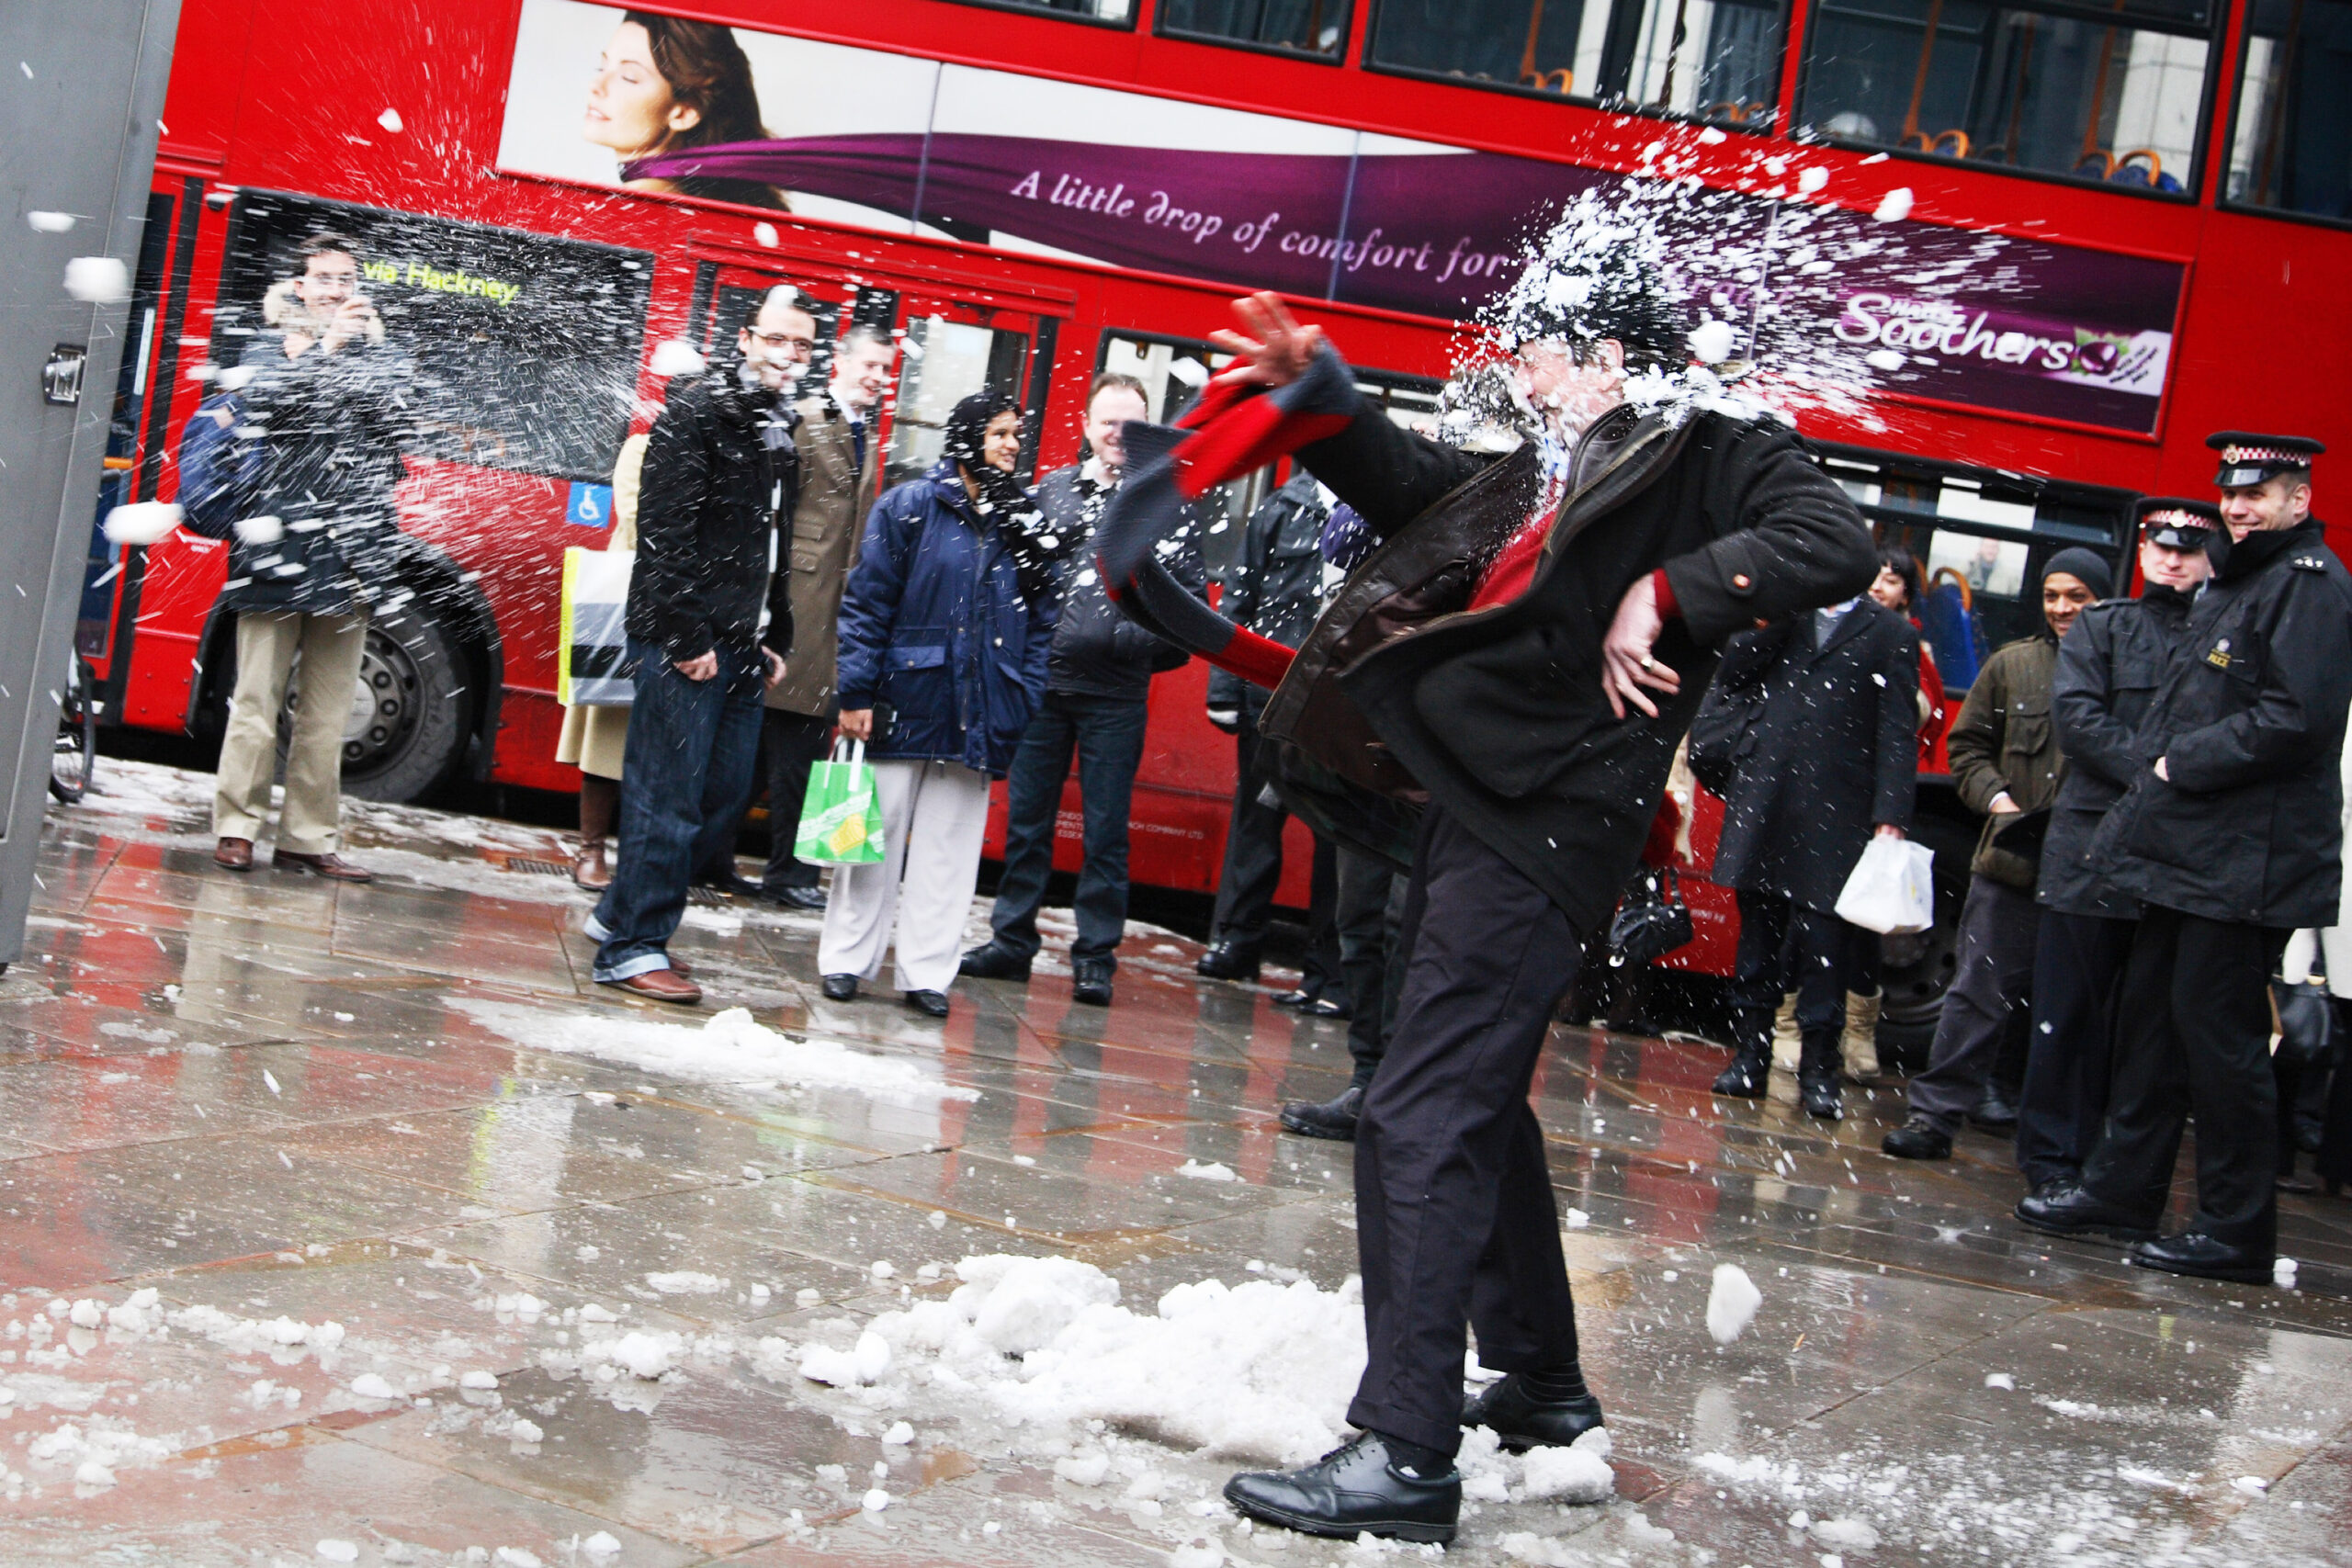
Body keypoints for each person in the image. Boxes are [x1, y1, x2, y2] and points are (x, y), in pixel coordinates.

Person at [1188, 269, 1872, 1544]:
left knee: (1421, 1106)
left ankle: (1403, 1449)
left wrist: (1666, 591)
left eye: (1541, 355)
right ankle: (1544, 1386)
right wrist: (1320, 398)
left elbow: (1838, 542)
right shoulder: (1554, 462)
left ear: (1607, 356)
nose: (1521, 376)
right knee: (1473, 1096)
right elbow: (1421, 491)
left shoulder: (1706, 443)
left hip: (1546, 815)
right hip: (1477, 799)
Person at [2024, 434, 2351, 1284]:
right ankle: (2123, 1189)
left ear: (2298, 501)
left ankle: (2237, 1231)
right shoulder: (2239, 578)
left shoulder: (2309, 587)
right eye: (2232, 494)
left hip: (2247, 861)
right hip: (2186, 851)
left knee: (2223, 1043)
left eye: (2261, 494)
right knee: (2151, 1028)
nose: (2240, 507)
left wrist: (2178, 763)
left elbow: (2297, 720)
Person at [586, 287, 809, 1002]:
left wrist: (775, 631)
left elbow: (769, 541)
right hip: (687, 635)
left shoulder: (779, 427)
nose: (788, 355)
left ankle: (621, 915)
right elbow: (664, 530)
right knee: (668, 794)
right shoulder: (700, 411)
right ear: (745, 339)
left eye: (802, 346)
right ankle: (633, 947)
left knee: (718, 797)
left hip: (742, 641)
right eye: (777, 340)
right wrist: (686, 634)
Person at [961, 374, 1205, 1006]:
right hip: (1046, 686)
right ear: (1087, 426)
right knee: (1027, 823)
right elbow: (1019, 579)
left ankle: (1095, 956)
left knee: (1105, 832)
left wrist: (1129, 648)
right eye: (1107, 421)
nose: (1118, 434)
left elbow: (1190, 612)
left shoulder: (1166, 502)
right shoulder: (1052, 491)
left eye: (1131, 423)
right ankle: (1011, 942)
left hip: (1116, 696)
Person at [820, 393, 1059, 1018]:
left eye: (1016, 434)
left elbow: (1043, 621)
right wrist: (856, 691)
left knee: (949, 852)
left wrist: (1023, 693)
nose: (1012, 444)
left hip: (981, 711)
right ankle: (846, 960)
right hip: (901, 701)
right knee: (869, 840)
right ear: (966, 436)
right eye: (999, 433)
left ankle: (927, 974)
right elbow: (867, 604)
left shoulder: (1025, 522)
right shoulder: (908, 506)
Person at [2012, 501, 2213, 1198]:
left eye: (2189, 548)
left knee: (2145, 1032)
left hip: (2175, 861)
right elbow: (2080, 721)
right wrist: (2164, 775)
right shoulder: (2104, 624)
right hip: (2092, 849)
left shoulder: (2226, 633)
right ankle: (2051, 1162)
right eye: (2161, 544)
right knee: (2067, 1016)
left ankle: (2112, 1173)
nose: (2172, 558)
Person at [1883, 547, 2110, 1159]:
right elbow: (1967, 748)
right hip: (2011, 863)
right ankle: (1935, 1119)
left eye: (2078, 597)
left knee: (2079, 1010)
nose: (2062, 608)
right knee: (1975, 996)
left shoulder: (2130, 669)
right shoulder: (2014, 666)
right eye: (2052, 596)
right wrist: (1998, 800)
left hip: (2094, 875)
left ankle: (2059, 1142)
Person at [209, 232, 414, 883]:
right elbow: (267, 407)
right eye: (323, 278)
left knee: (329, 709)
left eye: (346, 279)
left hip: (351, 548)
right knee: (256, 698)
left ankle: (306, 836)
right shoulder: (267, 346)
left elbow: (401, 424)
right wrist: (324, 352)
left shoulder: (379, 350)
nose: (336, 290)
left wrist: (361, 356)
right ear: (299, 286)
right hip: (276, 545)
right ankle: (237, 826)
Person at [1702, 584, 1918, 1120]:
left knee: (1826, 949)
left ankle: (1821, 1071)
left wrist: (1890, 818)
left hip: (1839, 810)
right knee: (1757, 942)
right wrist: (1774, 615)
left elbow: (1898, 732)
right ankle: (1750, 1055)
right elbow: (1731, 674)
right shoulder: (1782, 614)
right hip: (1766, 798)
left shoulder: (1892, 635)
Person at [752, 321, 895, 909]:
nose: (878, 380)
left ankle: (788, 872)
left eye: (886, 371)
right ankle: (786, 875)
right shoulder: (806, 421)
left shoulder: (865, 433)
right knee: (789, 748)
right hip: (799, 611)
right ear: (839, 361)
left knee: (801, 749)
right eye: (869, 366)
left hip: (835, 618)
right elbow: (780, 518)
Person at [1197, 468, 1344, 991]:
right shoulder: (1282, 507)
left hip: (1335, 707)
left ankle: (1328, 971)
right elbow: (1239, 599)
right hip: (1271, 696)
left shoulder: (1371, 514)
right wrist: (1223, 690)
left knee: (1337, 836)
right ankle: (1238, 942)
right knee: (1256, 823)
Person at [556, 433, 650, 891]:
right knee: (608, 729)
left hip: (692, 607)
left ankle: (639, 859)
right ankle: (590, 848)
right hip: (629, 598)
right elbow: (635, 519)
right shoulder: (642, 446)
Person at [584, 11, 786, 209]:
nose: (596, 85)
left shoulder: (634, 212)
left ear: (684, 113)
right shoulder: (681, 206)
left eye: (629, 77)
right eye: (602, 67)